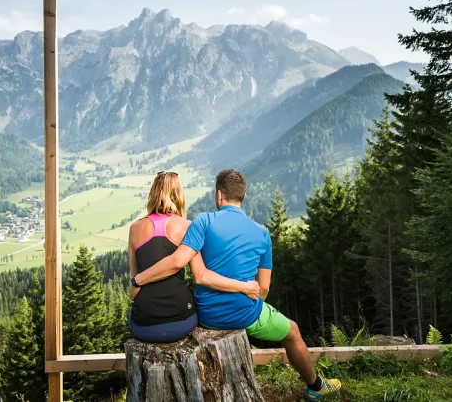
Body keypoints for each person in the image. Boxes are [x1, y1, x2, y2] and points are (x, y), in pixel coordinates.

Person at [133, 169, 342, 400]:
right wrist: (245, 298)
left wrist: (138, 280)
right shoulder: (262, 234)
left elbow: (198, 275)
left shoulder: (203, 221)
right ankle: (315, 386)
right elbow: (263, 288)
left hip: (205, 316)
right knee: (292, 330)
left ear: (218, 195)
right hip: (246, 313)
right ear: (242, 196)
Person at [127, 170, 259, 343]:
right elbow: (200, 274)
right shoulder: (187, 227)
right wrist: (243, 287)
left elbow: (134, 282)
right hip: (182, 321)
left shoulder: (134, 228)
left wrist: (139, 282)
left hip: (144, 325)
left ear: (153, 194)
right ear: (179, 195)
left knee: (132, 314)